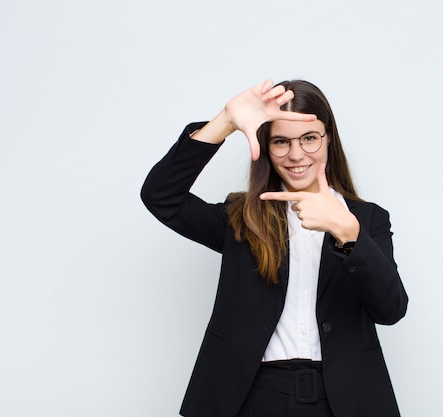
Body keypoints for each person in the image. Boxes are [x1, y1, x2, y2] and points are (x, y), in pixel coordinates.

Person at [141, 79, 408, 417]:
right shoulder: (241, 218)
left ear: (328, 140)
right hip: (251, 394)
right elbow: (161, 196)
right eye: (281, 142)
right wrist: (224, 121)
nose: (296, 154)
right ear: (266, 147)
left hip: (343, 397)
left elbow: (391, 309)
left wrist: (347, 232)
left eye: (309, 138)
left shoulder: (366, 220)